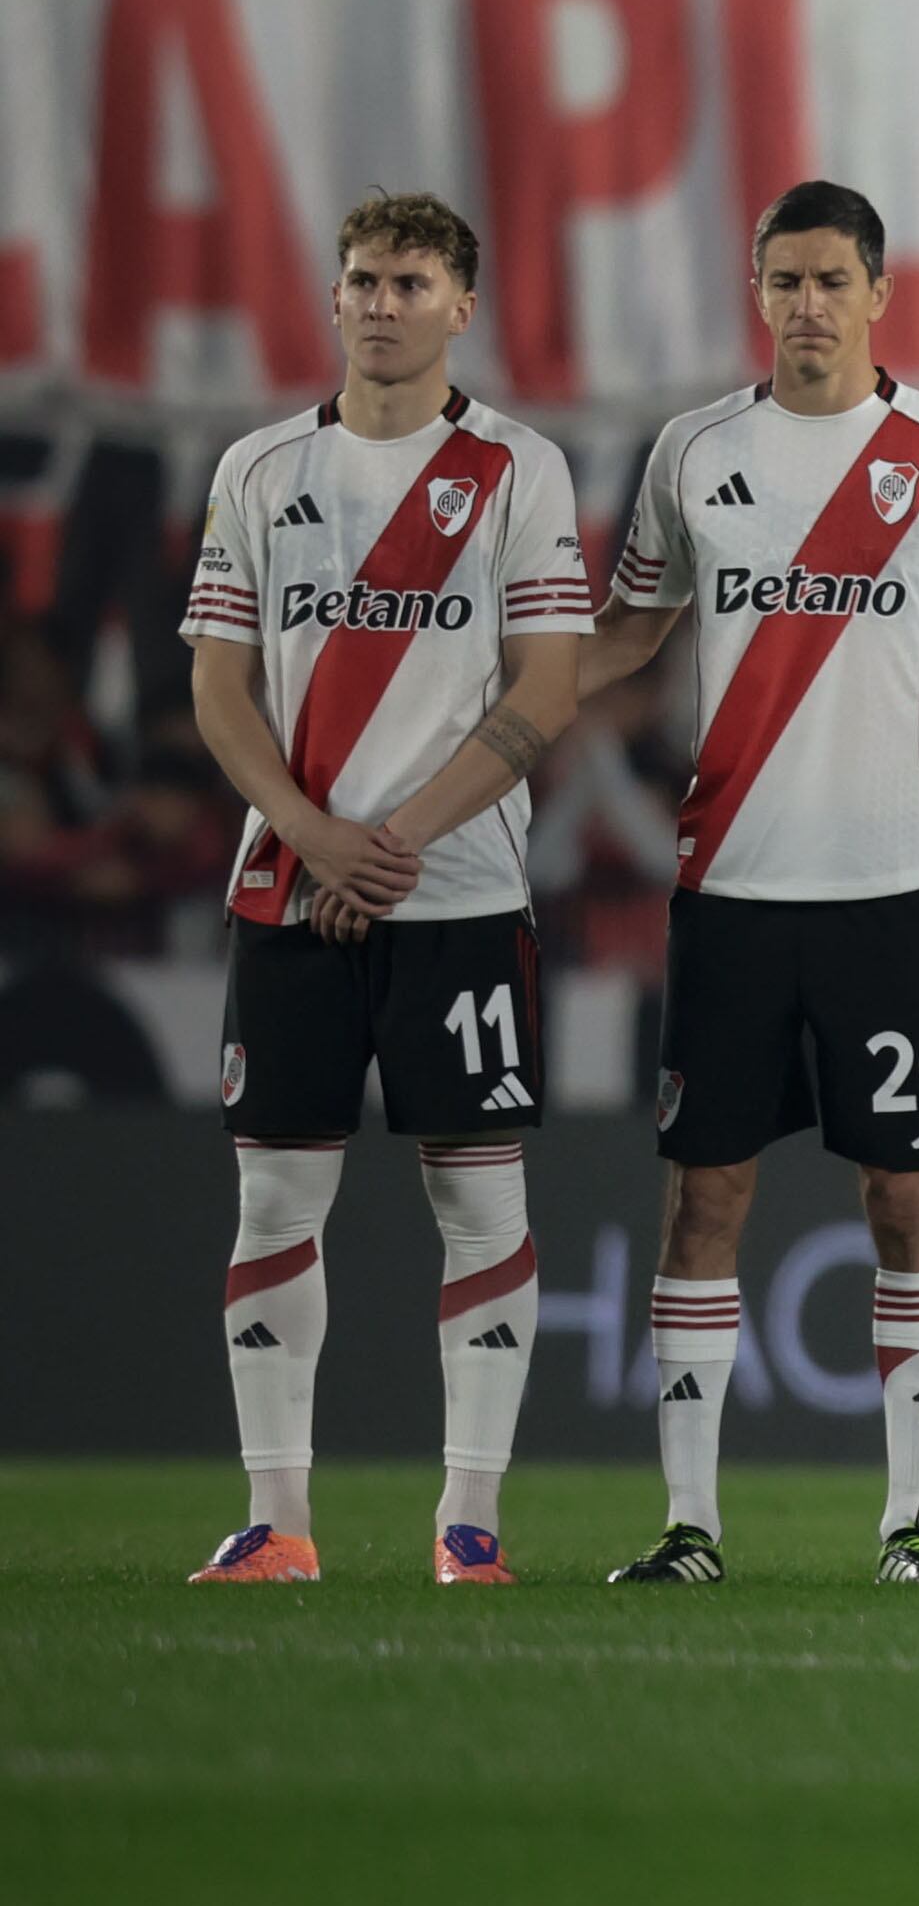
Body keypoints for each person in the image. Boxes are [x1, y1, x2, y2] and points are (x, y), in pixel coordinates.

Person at [579, 183, 919, 1585]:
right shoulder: (693, 450)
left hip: (885, 891)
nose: (806, 302)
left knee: (908, 1198)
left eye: (829, 278)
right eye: (783, 277)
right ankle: (689, 1526)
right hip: (731, 883)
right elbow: (630, 626)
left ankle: (910, 1524)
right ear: (758, 290)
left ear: (877, 293)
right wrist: (495, 694)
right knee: (705, 1197)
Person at [179, 194, 589, 1585]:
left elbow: (548, 685)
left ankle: (468, 1518)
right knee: (276, 1201)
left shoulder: (519, 470)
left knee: (480, 1205)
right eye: (361, 278)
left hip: (458, 890)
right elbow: (217, 683)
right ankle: (275, 1517)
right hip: (287, 893)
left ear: (462, 304)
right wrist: (308, 831)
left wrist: (393, 834)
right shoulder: (258, 465)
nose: (380, 301)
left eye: (412, 280)